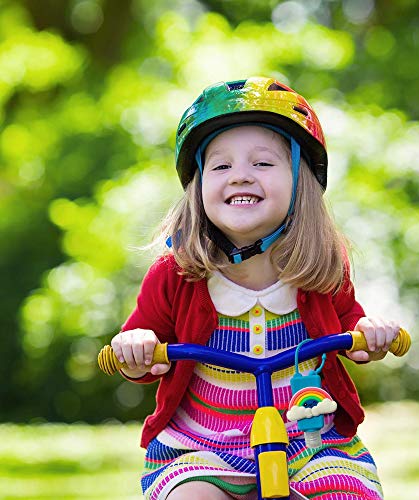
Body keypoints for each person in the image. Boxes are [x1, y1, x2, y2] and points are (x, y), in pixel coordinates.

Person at [111, 77, 400, 500]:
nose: (240, 176)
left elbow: (352, 329)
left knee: (345, 494)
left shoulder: (321, 265)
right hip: (204, 446)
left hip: (310, 440)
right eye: (221, 166)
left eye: (262, 163)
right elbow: (137, 354)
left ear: (301, 181)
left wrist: (371, 335)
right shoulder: (176, 274)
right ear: (198, 186)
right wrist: (134, 348)